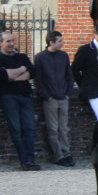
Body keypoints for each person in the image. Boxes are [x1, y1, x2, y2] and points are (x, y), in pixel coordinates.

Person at [0, 31, 39, 171]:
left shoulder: (22, 57)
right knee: (16, 130)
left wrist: (14, 75)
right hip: (8, 97)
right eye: (8, 41)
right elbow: (2, 76)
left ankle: (30, 159)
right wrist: (22, 70)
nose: (12, 44)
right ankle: (24, 161)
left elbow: (32, 72)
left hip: (25, 95)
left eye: (12, 41)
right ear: (1, 43)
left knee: (29, 129)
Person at [34, 30, 77, 166]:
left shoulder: (63, 56)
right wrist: (46, 96)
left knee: (64, 128)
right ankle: (58, 155)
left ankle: (66, 153)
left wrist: (68, 92)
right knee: (53, 129)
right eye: (59, 41)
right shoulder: (40, 57)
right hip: (50, 98)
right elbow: (38, 79)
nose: (62, 43)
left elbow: (69, 75)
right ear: (51, 42)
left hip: (63, 97)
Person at [72, 34, 98, 158]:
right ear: (95, 35)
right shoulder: (86, 49)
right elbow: (75, 69)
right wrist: (83, 85)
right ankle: (96, 148)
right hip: (92, 90)